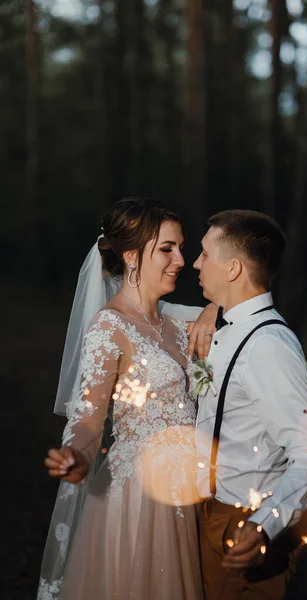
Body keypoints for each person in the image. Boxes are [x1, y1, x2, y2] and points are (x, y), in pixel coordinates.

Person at [38, 198, 216, 600]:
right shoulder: (109, 327)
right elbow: (87, 419)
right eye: (167, 249)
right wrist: (77, 456)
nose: (181, 260)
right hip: (139, 501)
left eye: (181, 248)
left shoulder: (174, 322)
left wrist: (214, 307)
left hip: (183, 496)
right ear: (133, 256)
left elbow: (239, 306)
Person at [193, 210, 307, 600]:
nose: (195, 263)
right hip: (208, 519)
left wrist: (262, 524)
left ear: (233, 268)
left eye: (205, 254)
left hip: (240, 528)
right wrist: (211, 308)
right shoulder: (227, 323)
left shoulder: (268, 347)